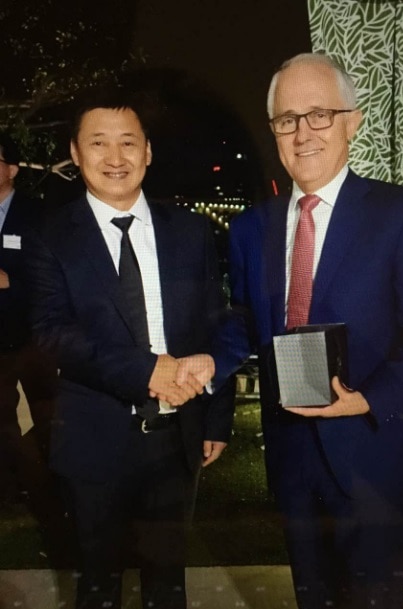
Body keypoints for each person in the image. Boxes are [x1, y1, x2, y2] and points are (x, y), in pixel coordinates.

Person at [206, 53, 403, 609]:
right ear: (273, 130)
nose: (302, 132)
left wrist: (367, 400)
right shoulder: (251, 228)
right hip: (293, 458)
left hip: (372, 456)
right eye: (287, 119)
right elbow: (244, 322)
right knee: (311, 598)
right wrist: (206, 368)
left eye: (319, 114)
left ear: (353, 120)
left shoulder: (401, 213)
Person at [23, 89, 234, 609]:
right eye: (98, 143)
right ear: (75, 153)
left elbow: (218, 324)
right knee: (98, 588)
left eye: (128, 143)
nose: (115, 158)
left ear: (148, 152)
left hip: (176, 442)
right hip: (95, 442)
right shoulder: (50, 235)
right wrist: (148, 372)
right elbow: (52, 332)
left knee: (169, 587)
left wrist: (215, 419)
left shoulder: (190, 231)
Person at [0, 132, 56, 503]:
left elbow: (46, 275)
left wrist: (10, 280)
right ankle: (8, 489)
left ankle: (51, 486)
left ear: (13, 169)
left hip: (32, 337)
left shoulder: (36, 215)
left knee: (48, 415)